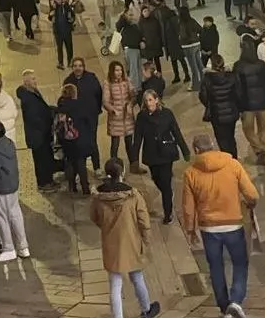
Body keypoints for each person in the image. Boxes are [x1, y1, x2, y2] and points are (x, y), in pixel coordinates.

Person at [181, 133, 257, 318]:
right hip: (234, 223)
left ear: (196, 150)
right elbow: (251, 193)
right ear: (213, 145)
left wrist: (190, 230)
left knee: (215, 268)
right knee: (240, 263)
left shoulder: (190, 173)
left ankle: (224, 308)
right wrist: (250, 203)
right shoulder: (232, 164)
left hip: (209, 228)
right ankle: (236, 300)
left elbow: (188, 208)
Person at [90, 158, 162, 318]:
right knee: (137, 277)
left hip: (110, 243)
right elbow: (144, 221)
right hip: (131, 241)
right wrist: (146, 239)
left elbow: (94, 217)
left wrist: (106, 227)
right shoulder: (133, 195)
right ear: (122, 173)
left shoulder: (99, 197)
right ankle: (146, 311)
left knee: (115, 284)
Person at [132, 89, 189, 224]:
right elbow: (138, 137)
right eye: (146, 101)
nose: (148, 103)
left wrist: (185, 150)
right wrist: (134, 157)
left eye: (151, 100)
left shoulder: (167, 114)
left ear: (156, 100)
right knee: (156, 178)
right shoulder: (141, 117)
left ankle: (168, 212)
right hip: (151, 153)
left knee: (165, 182)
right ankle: (167, 192)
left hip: (165, 152)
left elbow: (176, 132)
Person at [0, 119, 31, 260]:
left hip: (0, 189)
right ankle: (23, 247)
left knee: (1, 218)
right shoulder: (9, 143)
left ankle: (9, 248)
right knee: (16, 215)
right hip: (13, 186)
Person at [234, 35, 265, 165]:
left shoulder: (238, 66)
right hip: (264, 103)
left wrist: (239, 106)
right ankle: (263, 150)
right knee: (264, 128)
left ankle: (259, 149)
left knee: (248, 129)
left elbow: (237, 88)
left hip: (247, 105)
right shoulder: (261, 64)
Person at [17, 69, 59, 189]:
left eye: (35, 78)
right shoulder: (28, 98)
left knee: (46, 157)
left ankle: (48, 180)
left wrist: (52, 110)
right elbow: (35, 118)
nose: (36, 81)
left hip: (42, 134)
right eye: (33, 79)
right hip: (37, 136)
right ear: (26, 82)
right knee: (41, 160)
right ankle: (44, 183)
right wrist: (48, 120)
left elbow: (42, 108)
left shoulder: (33, 92)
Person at [62, 56, 105, 163]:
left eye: (80, 66)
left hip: (91, 116)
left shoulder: (91, 78)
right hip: (77, 119)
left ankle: (97, 166)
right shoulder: (68, 81)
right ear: (72, 67)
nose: (78, 68)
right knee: (80, 142)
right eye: (75, 66)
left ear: (84, 67)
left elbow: (99, 94)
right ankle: (82, 167)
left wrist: (97, 109)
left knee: (92, 141)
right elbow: (65, 100)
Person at [200, 53, 243, 159]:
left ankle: (226, 159)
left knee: (221, 140)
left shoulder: (207, 79)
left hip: (216, 114)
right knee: (231, 137)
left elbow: (203, 96)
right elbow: (238, 93)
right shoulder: (231, 76)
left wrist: (210, 104)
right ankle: (234, 159)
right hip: (231, 113)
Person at [56, 84, 94, 194]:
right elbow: (88, 122)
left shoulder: (61, 107)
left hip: (67, 141)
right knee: (81, 163)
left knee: (70, 162)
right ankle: (85, 188)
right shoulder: (81, 105)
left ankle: (72, 186)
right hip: (80, 139)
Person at [104, 61, 140, 168]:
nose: (119, 72)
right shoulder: (108, 83)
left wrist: (130, 104)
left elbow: (134, 96)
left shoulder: (127, 81)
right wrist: (113, 110)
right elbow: (105, 101)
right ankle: (113, 168)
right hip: (115, 119)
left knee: (129, 143)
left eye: (120, 70)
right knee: (115, 145)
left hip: (127, 118)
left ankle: (134, 166)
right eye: (116, 70)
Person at [178, 9, 206, 88]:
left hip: (188, 46)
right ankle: (204, 82)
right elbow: (200, 30)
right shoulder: (192, 20)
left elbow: (183, 35)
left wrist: (181, 39)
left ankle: (196, 85)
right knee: (200, 64)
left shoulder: (181, 23)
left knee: (193, 67)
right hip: (197, 44)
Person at [117, 9, 144, 86]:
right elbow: (119, 25)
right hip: (130, 49)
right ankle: (135, 88)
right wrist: (123, 16)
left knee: (138, 69)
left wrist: (142, 41)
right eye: (130, 15)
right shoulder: (123, 24)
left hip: (137, 49)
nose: (131, 17)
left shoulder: (134, 25)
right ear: (125, 16)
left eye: (132, 15)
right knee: (133, 71)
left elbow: (139, 34)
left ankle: (139, 86)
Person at [51, 0, 77, 68]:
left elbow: (72, 15)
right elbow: (50, 17)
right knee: (59, 48)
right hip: (58, 32)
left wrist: (72, 20)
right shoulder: (54, 8)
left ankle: (70, 61)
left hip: (66, 31)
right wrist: (51, 15)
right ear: (55, 0)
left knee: (69, 47)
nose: (59, 1)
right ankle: (60, 63)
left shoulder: (66, 7)